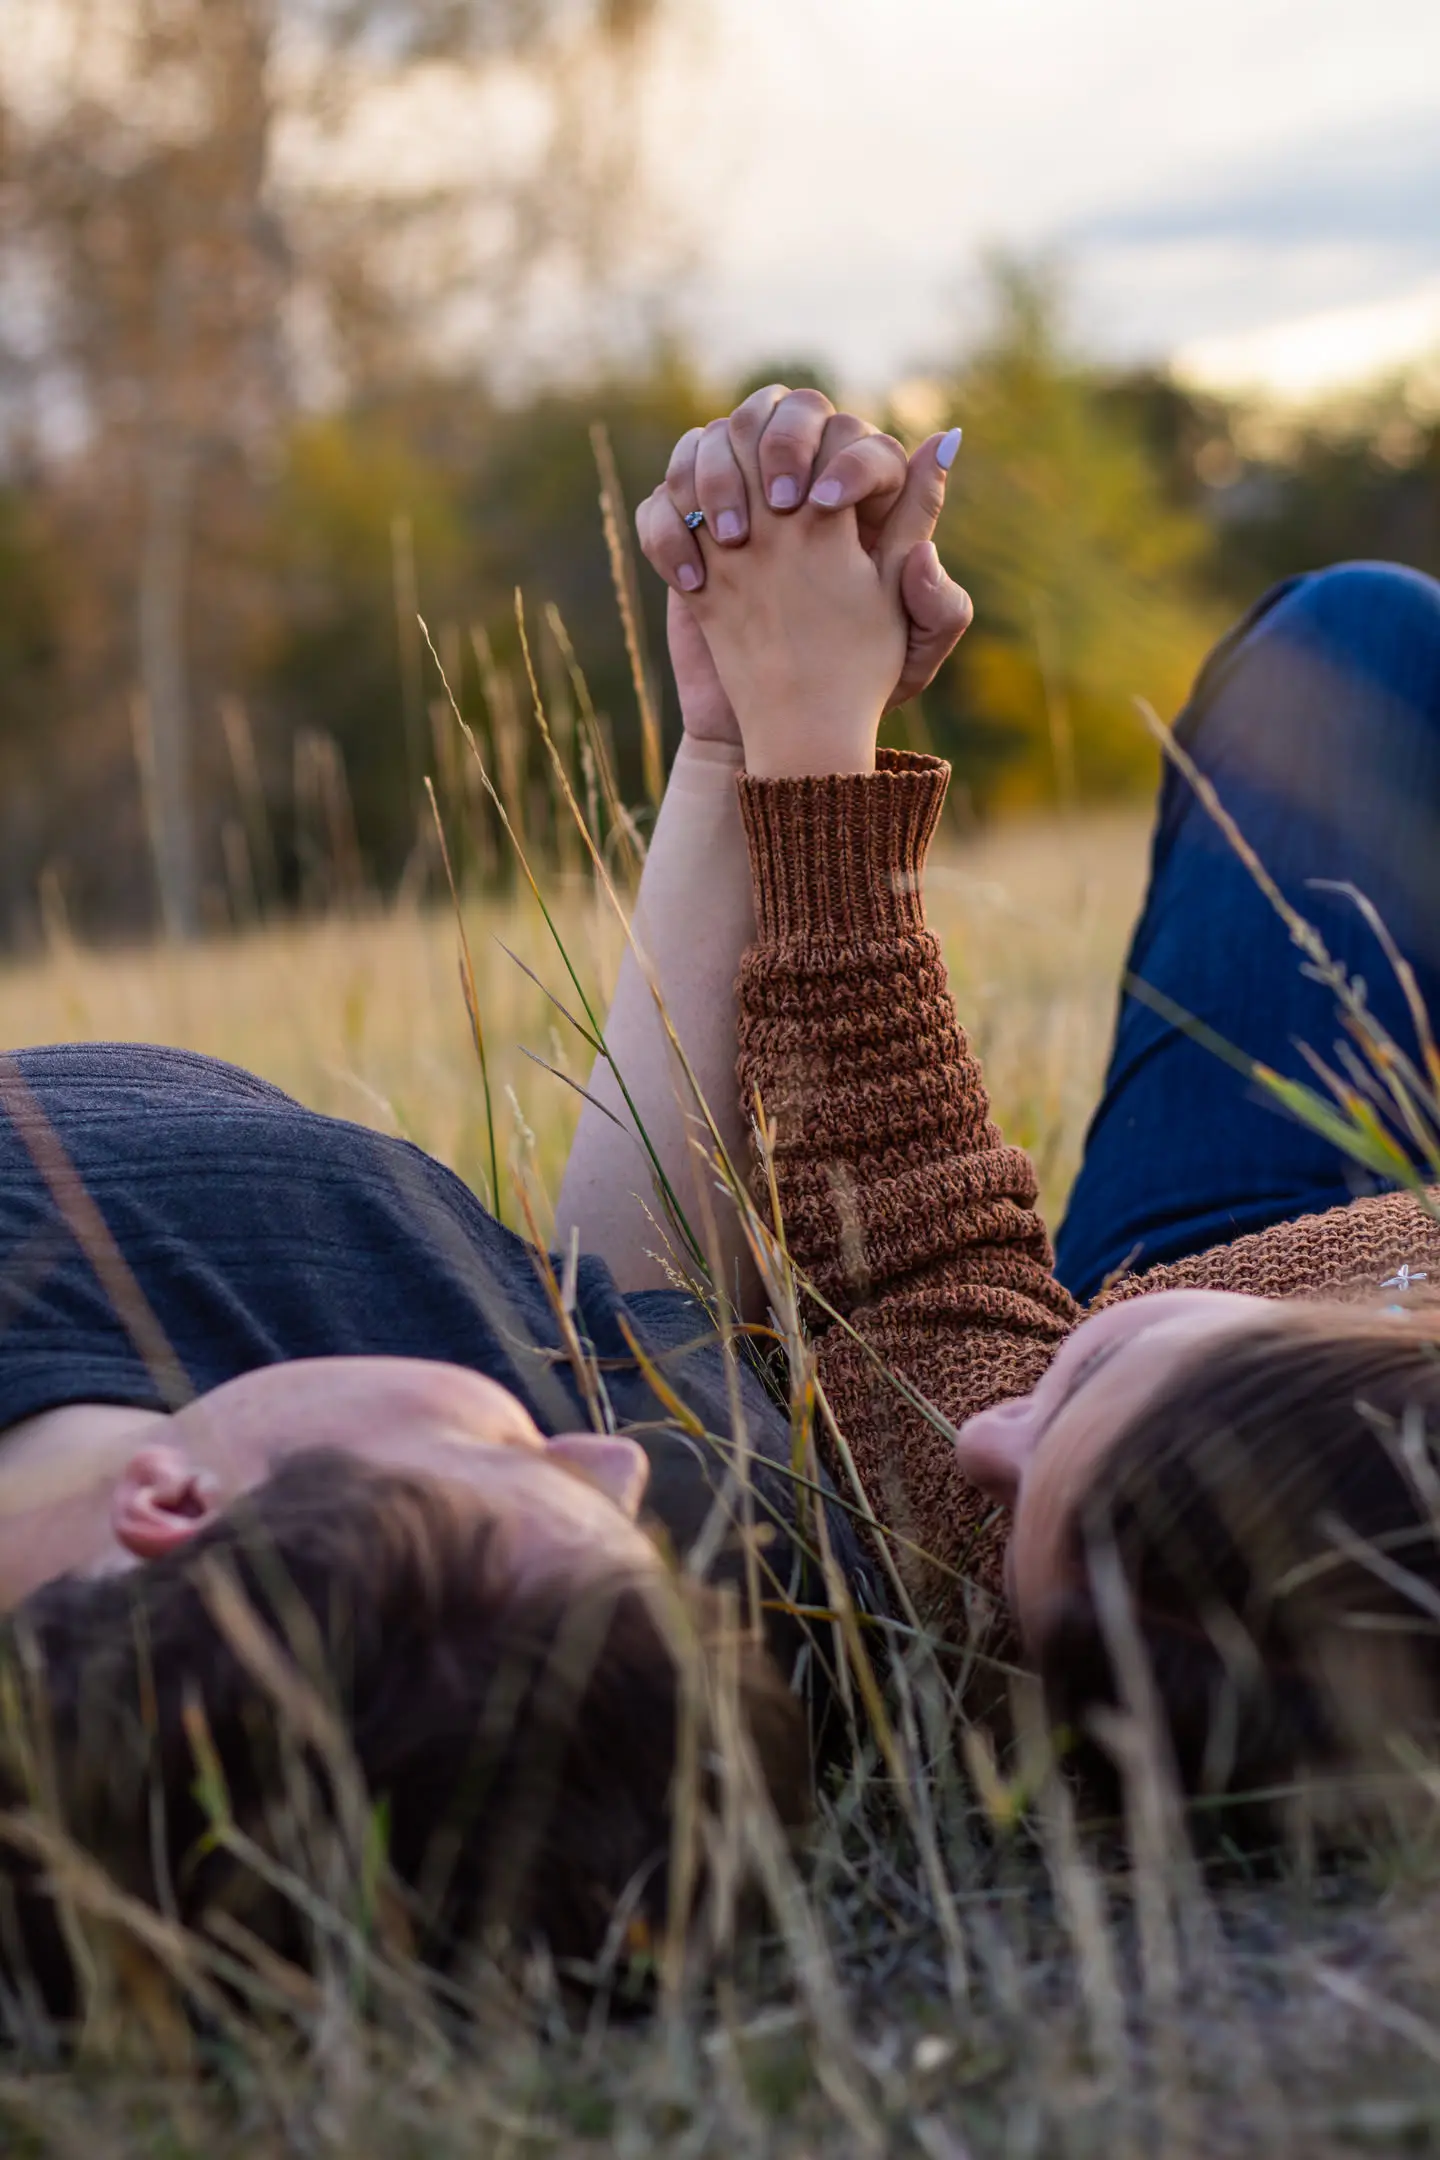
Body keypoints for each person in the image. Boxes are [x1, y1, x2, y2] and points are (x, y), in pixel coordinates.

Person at [0, 409, 972, 2012]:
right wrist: (756, 745)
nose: (612, 1467)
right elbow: (613, 1305)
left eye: (519, 1463)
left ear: (171, 1504)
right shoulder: (634, 1604)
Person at [586, 381, 1440, 1823]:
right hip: (1339, 1299)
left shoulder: (1102, 1589)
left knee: (1346, 647)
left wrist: (788, 739)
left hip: (1239, 1251)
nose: (995, 1439)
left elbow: (926, 1289)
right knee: (1373, 641)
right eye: (1075, 1395)